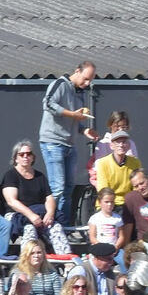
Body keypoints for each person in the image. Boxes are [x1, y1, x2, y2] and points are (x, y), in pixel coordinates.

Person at [38, 61, 100, 225]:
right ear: (77, 71)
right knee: (57, 188)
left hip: (69, 145)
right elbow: (48, 103)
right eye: (85, 79)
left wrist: (84, 130)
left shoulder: (79, 93)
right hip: (53, 142)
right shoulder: (60, 84)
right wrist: (72, 115)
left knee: (68, 189)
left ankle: (62, 226)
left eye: (90, 81)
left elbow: (75, 120)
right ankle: (49, 224)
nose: (87, 83)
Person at [1, 139, 71, 254]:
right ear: (15, 158)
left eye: (28, 154)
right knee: (29, 229)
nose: (25, 156)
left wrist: (50, 214)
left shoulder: (40, 176)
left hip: (40, 214)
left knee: (56, 227)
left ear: (33, 157)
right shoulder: (10, 176)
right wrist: (31, 215)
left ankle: (67, 263)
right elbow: (11, 201)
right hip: (18, 215)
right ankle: (28, 264)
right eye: (21, 154)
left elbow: (49, 198)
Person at [94, 129, 141, 206]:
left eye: (124, 142)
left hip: (129, 204)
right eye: (117, 142)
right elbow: (103, 190)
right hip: (108, 205)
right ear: (111, 146)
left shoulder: (135, 163)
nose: (121, 145)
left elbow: (137, 188)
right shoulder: (102, 163)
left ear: (129, 145)